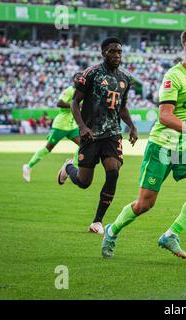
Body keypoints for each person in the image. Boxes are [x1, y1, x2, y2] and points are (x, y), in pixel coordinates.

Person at [101, 26, 186, 259]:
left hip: (184, 147)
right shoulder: (173, 77)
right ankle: (112, 229)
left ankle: (171, 235)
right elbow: (164, 115)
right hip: (162, 146)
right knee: (144, 204)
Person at [56, 37, 138, 234]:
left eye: (119, 51)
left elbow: (122, 107)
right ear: (103, 53)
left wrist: (132, 127)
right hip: (91, 133)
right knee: (84, 182)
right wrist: (82, 127)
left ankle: (97, 221)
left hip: (112, 134)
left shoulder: (125, 78)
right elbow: (75, 102)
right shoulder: (90, 74)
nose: (117, 55)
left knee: (113, 172)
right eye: (112, 51)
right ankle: (68, 167)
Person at [22, 72, 82, 182]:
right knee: (48, 148)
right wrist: (74, 105)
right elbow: (59, 103)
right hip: (61, 125)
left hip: (72, 125)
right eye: (77, 78)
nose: (79, 80)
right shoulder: (69, 90)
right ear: (73, 80)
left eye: (81, 78)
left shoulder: (81, 92)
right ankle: (28, 166)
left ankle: (73, 166)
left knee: (83, 144)